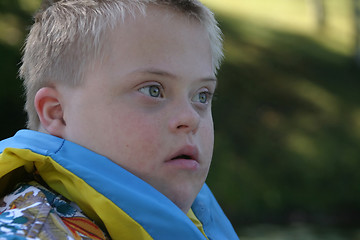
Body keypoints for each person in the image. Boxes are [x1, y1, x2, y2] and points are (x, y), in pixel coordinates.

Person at [0, 0, 238, 239]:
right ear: (58, 112)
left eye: (202, 95)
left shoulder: (195, 220)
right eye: (153, 90)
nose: (191, 117)